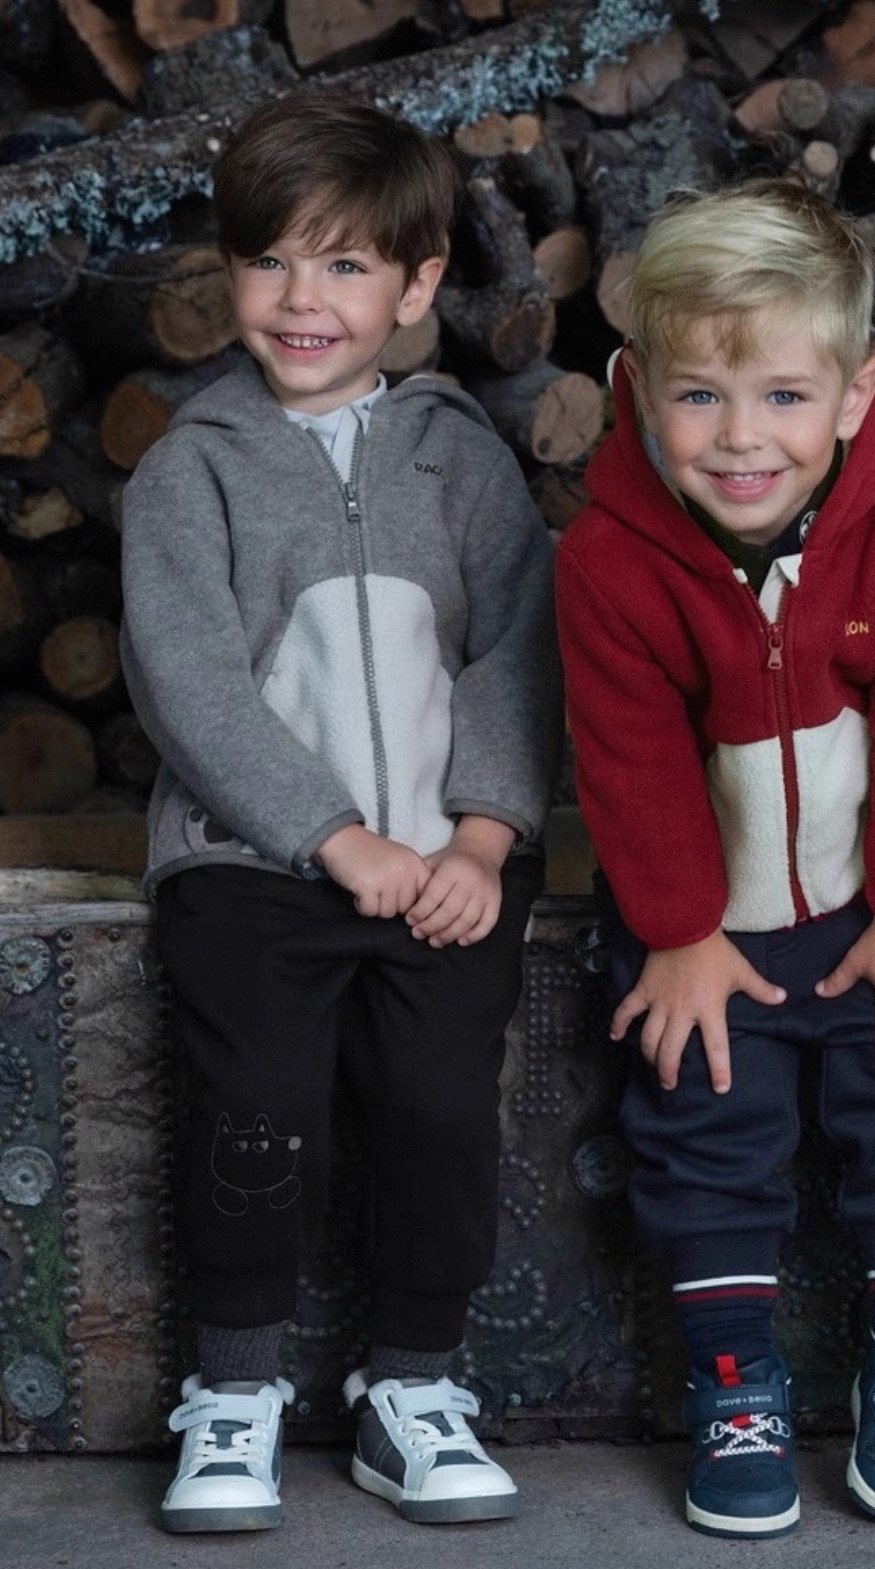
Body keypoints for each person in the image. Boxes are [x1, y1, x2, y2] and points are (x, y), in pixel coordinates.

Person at [120, 91, 560, 1535]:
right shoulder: (193, 466)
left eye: (347, 264)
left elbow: (517, 653)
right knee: (259, 1111)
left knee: (441, 1110)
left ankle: (411, 1390)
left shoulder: (460, 458)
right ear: (229, 273)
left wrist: (481, 834)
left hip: (442, 867)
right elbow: (186, 679)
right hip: (251, 869)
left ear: (418, 287)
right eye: (270, 261)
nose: (302, 299)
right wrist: (326, 832)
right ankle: (232, 1390)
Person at [555, 179, 875, 1540]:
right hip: (707, 923)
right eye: (698, 396)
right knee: (699, 1116)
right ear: (637, 388)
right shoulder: (606, 560)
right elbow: (627, 765)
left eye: (784, 397)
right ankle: (732, 1379)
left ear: (856, 395)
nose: (741, 438)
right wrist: (681, 935)